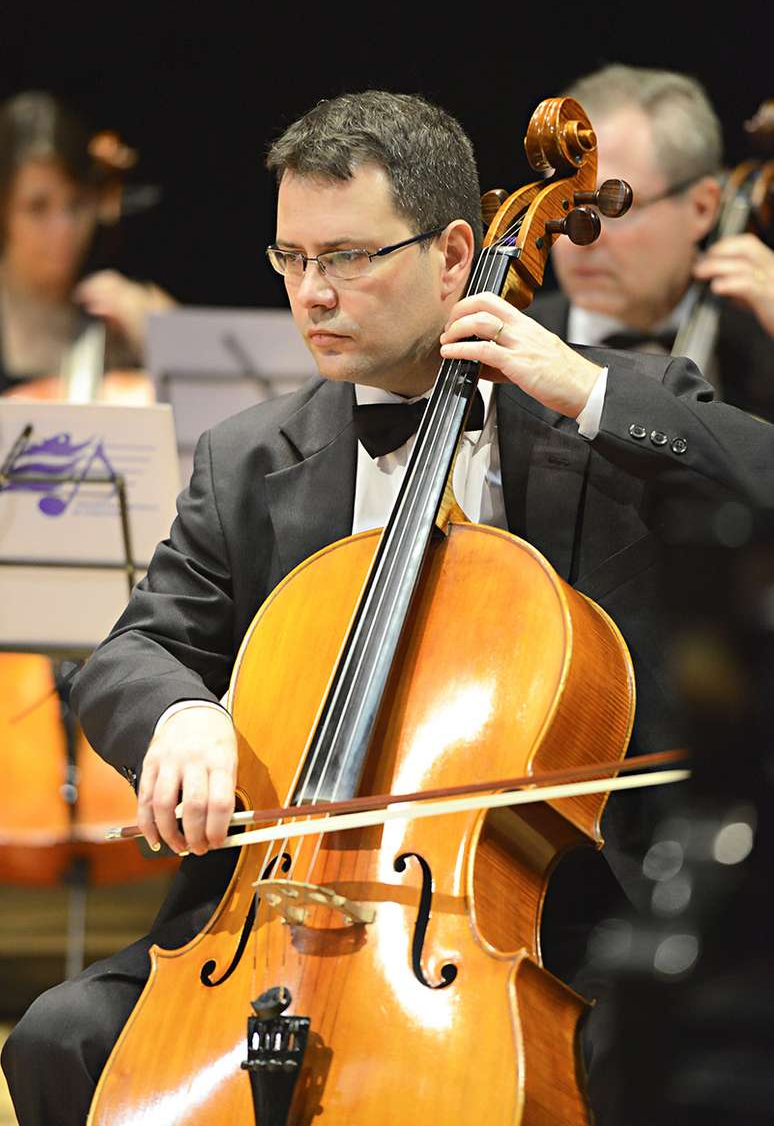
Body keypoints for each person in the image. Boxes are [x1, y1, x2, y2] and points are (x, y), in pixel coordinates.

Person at [3, 89, 773, 1126]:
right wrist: (182, 715)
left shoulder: (593, 407)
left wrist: (586, 391)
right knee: (61, 1033)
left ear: (457, 254)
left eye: (350, 257)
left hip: (560, 914)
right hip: (275, 919)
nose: (312, 293)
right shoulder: (249, 457)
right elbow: (135, 648)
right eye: (291, 259)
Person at [526, 63, 774, 421]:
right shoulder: (504, 344)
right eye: (563, 203)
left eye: (612, 206)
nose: (578, 237)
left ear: (702, 207)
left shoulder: (764, 344)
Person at [0, 90, 175, 397]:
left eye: (78, 204)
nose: (64, 229)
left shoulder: (118, 311)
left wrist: (163, 335)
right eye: (37, 207)